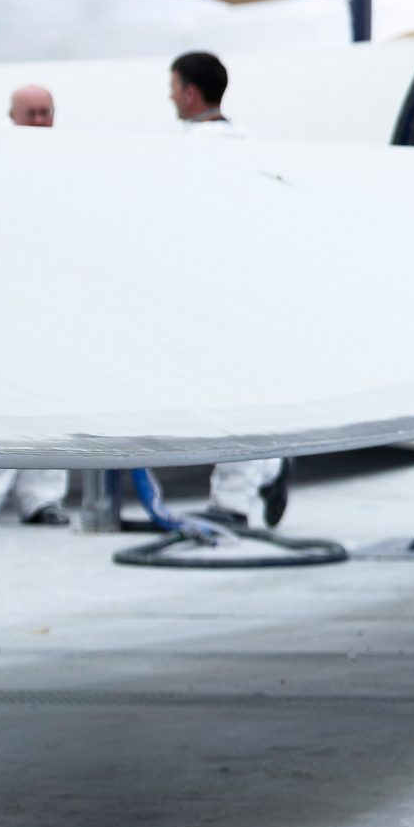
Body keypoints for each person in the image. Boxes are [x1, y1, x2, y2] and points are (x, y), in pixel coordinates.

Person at [171, 51, 288, 528]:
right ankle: (270, 468)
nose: (170, 97)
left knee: (227, 398)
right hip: (252, 286)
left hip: (213, 290)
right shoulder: (251, 144)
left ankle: (234, 502)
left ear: (189, 93)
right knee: (244, 392)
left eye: (173, 88)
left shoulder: (190, 151)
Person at [0, 84, 70, 525]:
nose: (40, 121)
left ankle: (42, 497)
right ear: (12, 117)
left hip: (52, 303)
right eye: (31, 113)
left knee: (50, 402)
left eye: (46, 112)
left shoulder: (71, 166)